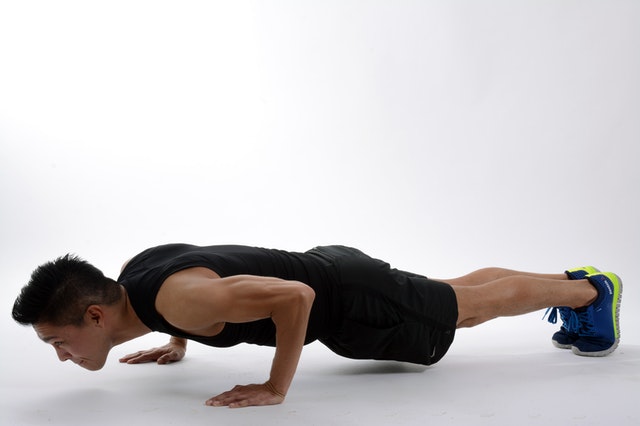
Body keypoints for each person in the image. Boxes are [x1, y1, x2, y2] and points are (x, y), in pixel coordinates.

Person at [12, 244, 622, 408]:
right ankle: (575, 281)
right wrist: (178, 342)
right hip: (339, 271)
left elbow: (294, 298)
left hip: (343, 298)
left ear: (94, 314)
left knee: (467, 308)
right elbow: (190, 281)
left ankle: (592, 291)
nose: (63, 356)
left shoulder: (180, 302)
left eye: (58, 341)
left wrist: (277, 387)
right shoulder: (137, 279)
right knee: (455, 291)